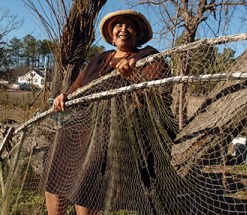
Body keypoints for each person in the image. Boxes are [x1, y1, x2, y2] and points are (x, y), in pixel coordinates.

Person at [45, 9, 172, 215]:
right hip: (80, 123)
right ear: (111, 35)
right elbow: (78, 85)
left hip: (114, 129)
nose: (123, 29)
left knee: (89, 177)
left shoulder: (147, 56)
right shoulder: (99, 59)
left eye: (129, 25)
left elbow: (159, 92)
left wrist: (133, 78)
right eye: (118, 25)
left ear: (138, 35)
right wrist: (64, 95)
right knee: (57, 171)